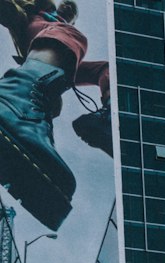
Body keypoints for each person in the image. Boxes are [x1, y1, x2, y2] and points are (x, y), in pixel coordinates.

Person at [0, 2, 112, 231]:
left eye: (72, 12)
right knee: (71, 36)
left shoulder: (67, 40)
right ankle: (15, 96)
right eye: (66, 6)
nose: (67, 10)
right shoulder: (33, 16)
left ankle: (108, 118)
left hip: (60, 61)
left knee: (106, 68)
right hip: (41, 51)